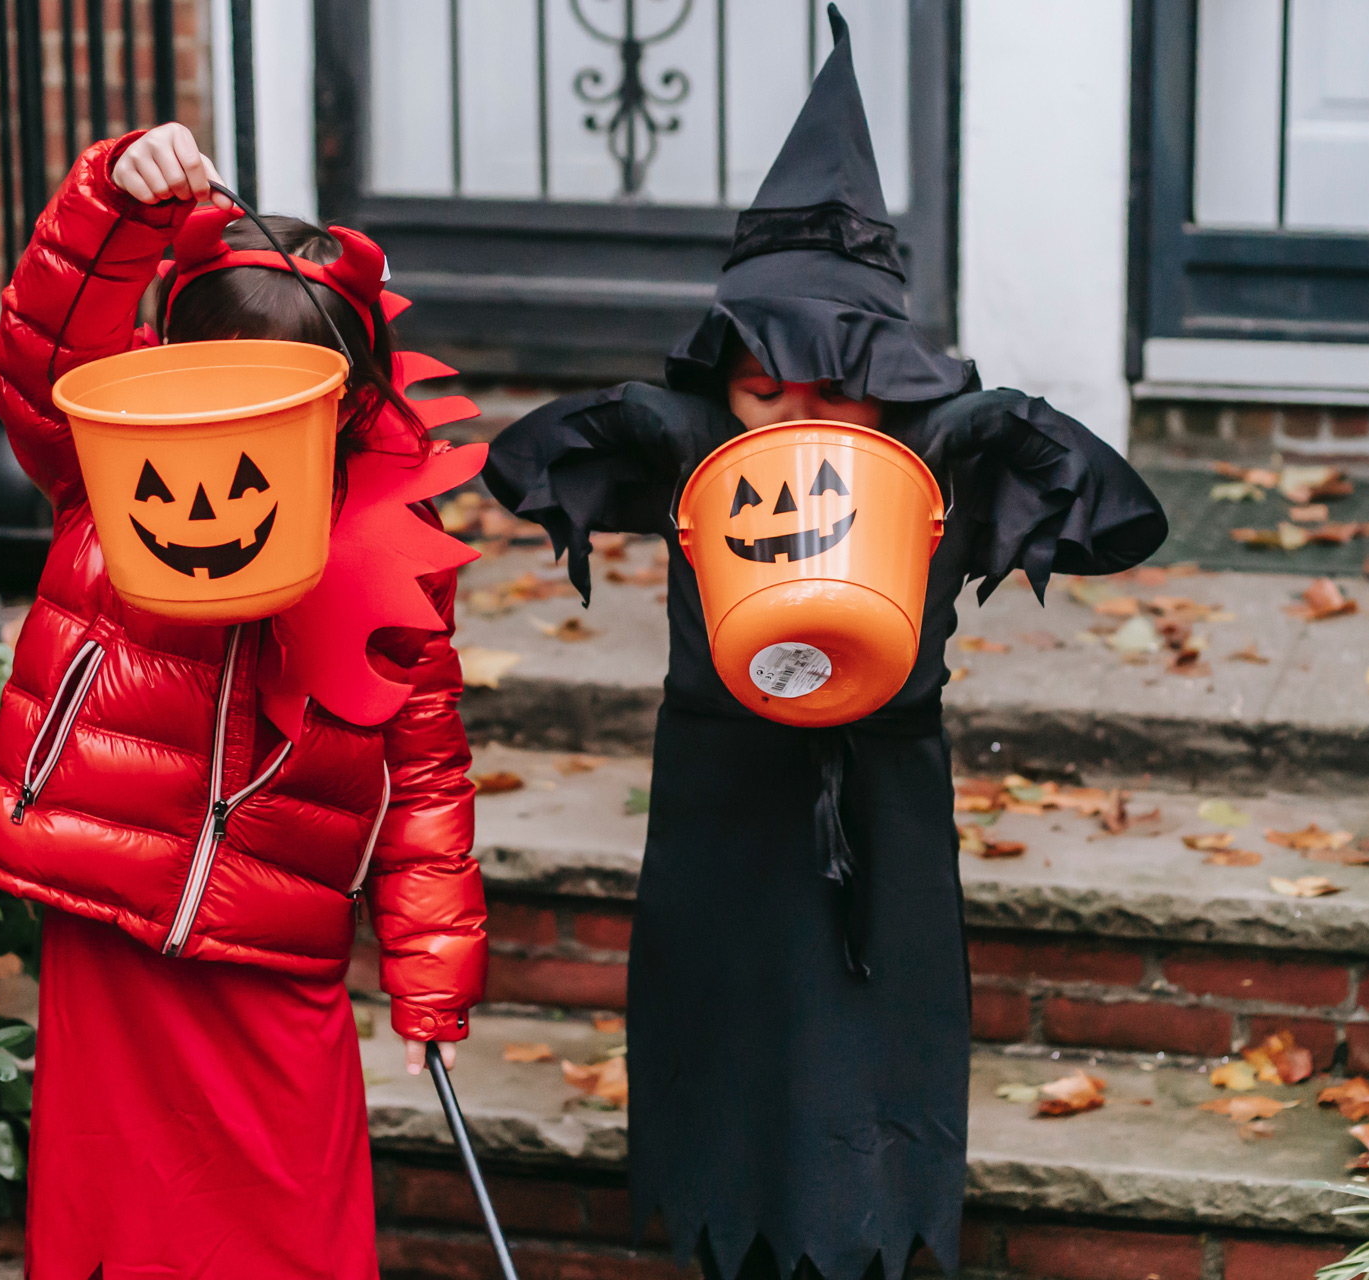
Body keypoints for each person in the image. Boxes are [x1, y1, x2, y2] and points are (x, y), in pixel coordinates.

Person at [483, 10, 1169, 1279]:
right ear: (718, 388)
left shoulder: (934, 463)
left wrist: (981, 423)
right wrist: (671, 420)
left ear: (889, 380)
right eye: (759, 388)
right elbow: (516, 464)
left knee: (872, 1153)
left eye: (831, 386)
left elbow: (1124, 520)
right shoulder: (695, 451)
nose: (793, 416)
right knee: (732, 1133)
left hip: (883, 828)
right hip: (720, 813)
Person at [0, 123, 490, 1280]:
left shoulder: (394, 562)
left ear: (346, 411)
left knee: (290, 1231)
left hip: (272, 948)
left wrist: (431, 975)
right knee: (121, 1230)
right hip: (112, 915)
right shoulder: (101, 475)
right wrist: (118, 200)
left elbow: (427, 776)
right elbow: (48, 350)